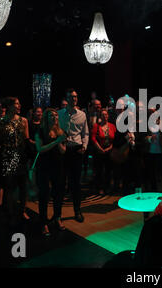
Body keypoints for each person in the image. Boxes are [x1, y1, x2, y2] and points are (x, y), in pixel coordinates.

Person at [0, 97, 30, 227]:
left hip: (21, 156)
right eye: (16, 103)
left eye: (19, 103)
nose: (19, 106)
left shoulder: (24, 120)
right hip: (7, 157)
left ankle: (23, 210)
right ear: (8, 106)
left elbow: (26, 139)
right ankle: (10, 213)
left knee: (23, 186)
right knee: (9, 187)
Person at [58, 88, 89, 223]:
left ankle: (77, 211)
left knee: (76, 183)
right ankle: (57, 215)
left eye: (75, 97)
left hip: (76, 150)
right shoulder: (59, 114)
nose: (74, 99)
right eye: (71, 97)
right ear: (66, 98)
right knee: (60, 183)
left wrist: (84, 146)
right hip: (63, 151)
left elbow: (85, 133)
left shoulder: (82, 115)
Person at [35, 108, 67, 236]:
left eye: (56, 115)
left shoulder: (60, 131)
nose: (54, 117)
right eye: (51, 116)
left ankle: (57, 218)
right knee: (44, 195)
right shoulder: (40, 131)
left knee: (58, 193)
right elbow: (40, 149)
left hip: (58, 166)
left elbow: (63, 151)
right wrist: (56, 142)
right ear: (46, 118)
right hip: (44, 167)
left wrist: (59, 142)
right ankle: (43, 222)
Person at [91, 108, 116, 194]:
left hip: (109, 151)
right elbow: (93, 139)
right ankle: (100, 187)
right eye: (103, 115)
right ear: (100, 116)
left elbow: (114, 139)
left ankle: (108, 187)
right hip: (99, 151)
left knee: (108, 171)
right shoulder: (96, 126)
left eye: (106, 114)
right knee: (99, 171)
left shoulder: (112, 126)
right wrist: (100, 149)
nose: (105, 116)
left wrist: (109, 148)